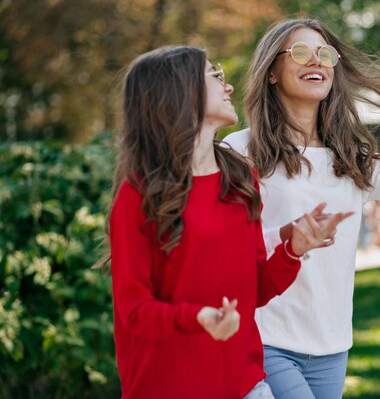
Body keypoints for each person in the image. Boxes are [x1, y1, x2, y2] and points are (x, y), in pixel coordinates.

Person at [100, 45, 351, 399]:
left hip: (246, 386)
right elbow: (134, 310)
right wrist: (198, 319)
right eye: (215, 76)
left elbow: (255, 290)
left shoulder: (239, 178)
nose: (228, 86)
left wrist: (293, 251)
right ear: (180, 92)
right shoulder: (139, 193)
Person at [223, 19, 380, 399]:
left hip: (332, 347)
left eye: (324, 54)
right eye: (300, 52)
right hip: (267, 338)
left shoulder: (350, 158)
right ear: (272, 73)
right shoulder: (241, 149)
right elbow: (223, 243)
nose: (316, 61)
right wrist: (288, 237)